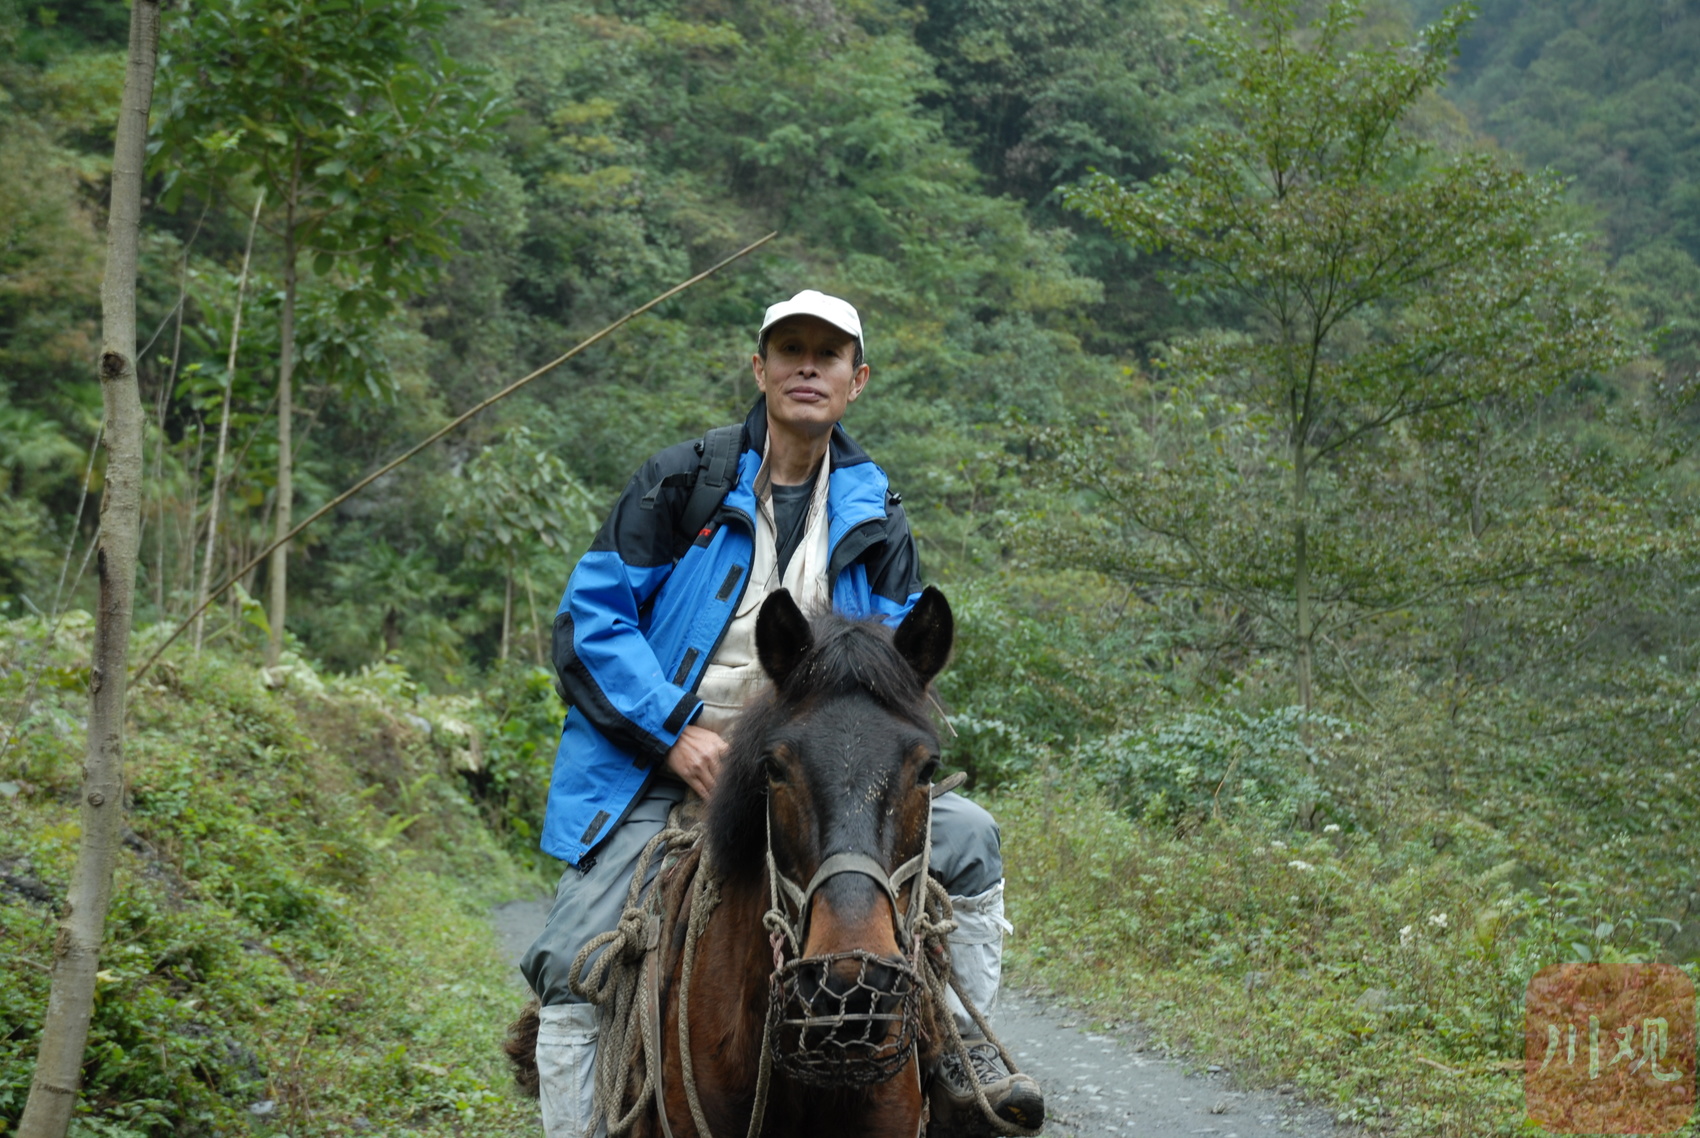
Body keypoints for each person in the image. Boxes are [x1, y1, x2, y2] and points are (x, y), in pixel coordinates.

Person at [520, 290, 1044, 1136]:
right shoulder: (679, 483)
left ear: (856, 379)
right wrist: (673, 735)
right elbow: (594, 621)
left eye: (827, 354)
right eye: (790, 350)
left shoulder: (877, 517)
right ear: (759, 368)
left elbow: (893, 677)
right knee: (574, 958)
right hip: (669, 758)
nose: (808, 366)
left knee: (972, 842)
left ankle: (955, 1053)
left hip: (826, 771)